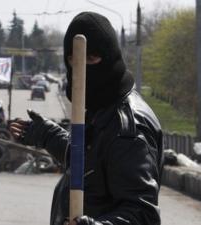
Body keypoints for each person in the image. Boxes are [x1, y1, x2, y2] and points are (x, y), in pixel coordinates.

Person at [9, 12, 163, 225]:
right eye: (73, 60)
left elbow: (142, 214)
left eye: (90, 59)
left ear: (110, 57)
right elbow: (94, 167)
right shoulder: (103, 109)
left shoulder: (128, 129)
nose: (80, 69)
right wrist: (49, 136)